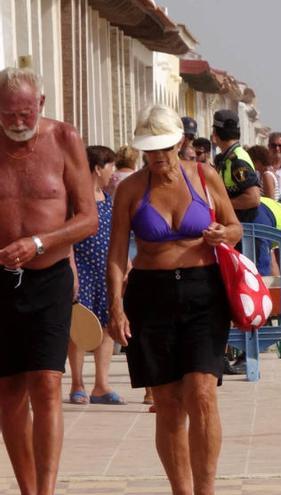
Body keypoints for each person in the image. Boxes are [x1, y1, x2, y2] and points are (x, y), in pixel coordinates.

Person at [107, 104, 241, 494]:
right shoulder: (131, 189)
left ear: (180, 142)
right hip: (150, 295)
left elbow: (234, 227)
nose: (159, 157)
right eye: (150, 150)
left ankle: (206, 490)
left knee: (202, 393)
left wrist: (223, 234)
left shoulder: (205, 176)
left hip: (204, 292)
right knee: (167, 404)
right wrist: (115, 305)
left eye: (165, 148)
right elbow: (118, 254)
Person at [0, 67, 98, 495]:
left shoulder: (64, 139)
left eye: (25, 113)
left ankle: (46, 490)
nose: (18, 123)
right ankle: (25, 488)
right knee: (8, 389)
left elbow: (88, 218)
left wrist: (39, 242)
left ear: (40, 105)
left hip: (49, 276)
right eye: (8, 115)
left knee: (47, 381)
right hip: (1, 279)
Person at [68, 146, 125, 406]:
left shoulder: (107, 197)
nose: (113, 172)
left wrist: (127, 263)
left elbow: (115, 234)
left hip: (105, 269)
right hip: (82, 269)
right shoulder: (75, 200)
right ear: (97, 168)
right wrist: (72, 270)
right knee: (80, 328)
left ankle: (101, 385)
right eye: (110, 166)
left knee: (107, 327)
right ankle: (77, 383)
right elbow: (67, 236)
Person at [210, 109, 261, 223]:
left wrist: (222, 205)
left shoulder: (237, 161)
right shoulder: (226, 158)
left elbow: (253, 198)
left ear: (215, 134)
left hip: (244, 227)